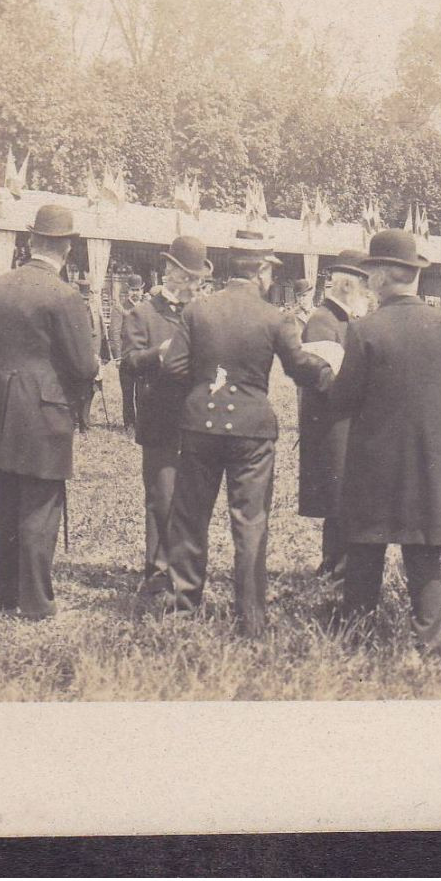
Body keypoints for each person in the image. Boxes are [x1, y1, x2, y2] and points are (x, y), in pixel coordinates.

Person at [155, 229, 333, 637]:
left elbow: (173, 367)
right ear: (262, 271)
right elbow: (298, 366)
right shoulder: (275, 317)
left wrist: (205, 385)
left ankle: (183, 607)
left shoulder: (197, 310)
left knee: (189, 517)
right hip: (252, 430)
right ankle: (251, 618)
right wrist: (330, 374)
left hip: (200, 424)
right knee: (250, 522)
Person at [325, 231, 441, 655]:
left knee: (364, 553)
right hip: (431, 465)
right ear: (412, 275)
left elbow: (341, 400)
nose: (368, 281)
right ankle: (429, 647)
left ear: (383, 276)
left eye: (371, 272)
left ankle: (356, 643)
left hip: (373, 466)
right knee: (424, 557)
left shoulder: (363, 331)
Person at [0, 204, 99, 619]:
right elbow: (82, 365)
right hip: (45, 410)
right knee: (41, 506)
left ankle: (4, 593)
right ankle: (37, 604)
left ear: (31, 241)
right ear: (67, 247)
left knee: (5, 501)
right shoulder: (64, 295)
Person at [120, 239, 210, 595]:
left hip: (198, 420)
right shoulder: (143, 313)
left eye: (196, 280)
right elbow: (128, 362)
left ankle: (185, 568)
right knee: (161, 496)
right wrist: (159, 354)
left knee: (191, 497)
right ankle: (157, 572)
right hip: (160, 418)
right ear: (169, 272)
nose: (192, 287)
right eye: (186, 278)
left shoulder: (202, 313)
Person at [297, 249, 370, 597]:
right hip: (331, 423)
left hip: (346, 421)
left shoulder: (346, 320)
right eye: (364, 285)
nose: (368, 293)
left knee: (348, 493)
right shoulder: (322, 321)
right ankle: (335, 566)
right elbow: (323, 378)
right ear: (345, 285)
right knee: (339, 494)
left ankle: (337, 564)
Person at [73, 273, 107, 431]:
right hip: (76, 357)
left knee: (91, 389)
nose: (85, 301)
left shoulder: (95, 310)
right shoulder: (71, 313)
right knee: (77, 388)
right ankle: (76, 420)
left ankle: (84, 421)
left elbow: (100, 332)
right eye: (82, 298)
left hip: (93, 355)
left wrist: (102, 355)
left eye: (87, 298)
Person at [116, 273, 146, 431]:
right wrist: (116, 356)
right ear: (128, 291)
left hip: (143, 357)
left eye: (138, 289)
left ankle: (141, 423)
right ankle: (129, 423)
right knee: (127, 393)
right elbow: (115, 333)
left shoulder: (148, 307)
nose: (135, 293)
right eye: (132, 290)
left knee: (141, 393)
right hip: (126, 357)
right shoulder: (120, 307)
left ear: (142, 290)